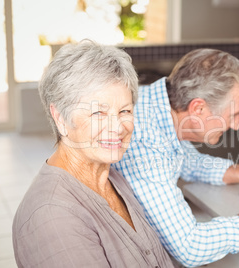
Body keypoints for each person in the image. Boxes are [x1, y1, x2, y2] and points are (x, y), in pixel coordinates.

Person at [113, 48, 239, 267]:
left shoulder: (155, 106)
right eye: (232, 114)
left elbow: (191, 164)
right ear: (198, 108)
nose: (236, 124)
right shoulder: (146, 142)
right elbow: (191, 247)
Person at [12, 40, 174, 268]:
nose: (117, 127)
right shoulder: (53, 215)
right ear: (60, 118)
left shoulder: (112, 176)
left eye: (125, 111)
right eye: (98, 112)